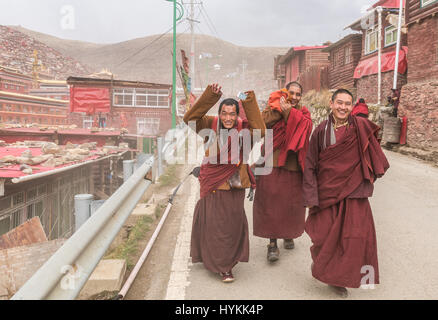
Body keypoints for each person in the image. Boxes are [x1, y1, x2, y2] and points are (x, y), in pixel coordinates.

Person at [302, 88, 390, 298]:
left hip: (354, 192)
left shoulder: (361, 127)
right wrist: (310, 196)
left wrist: (363, 176)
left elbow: (375, 157)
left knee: (355, 239)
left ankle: (342, 279)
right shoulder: (321, 131)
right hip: (327, 194)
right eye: (339, 102)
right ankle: (328, 271)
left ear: (352, 106)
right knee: (324, 237)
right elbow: (310, 164)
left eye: (347, 103)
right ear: (331, 104)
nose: (343, 107)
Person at [183, 83, 265, 283]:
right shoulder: (209, 124)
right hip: (212, 183)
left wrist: (248, 100)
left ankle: (226, 260)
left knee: (231, 225)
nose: (228, 118)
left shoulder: (244, 129)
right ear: (219, 113)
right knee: (213, 224)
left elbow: (261, 130)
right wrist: (211, 96)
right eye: (224, 113)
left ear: (237, 114)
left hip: (235, 184)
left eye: (232, 113)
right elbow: (190, 118)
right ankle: (223, 267)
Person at [253, 81, 313, 262]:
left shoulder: (303, 114)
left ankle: (288, 234)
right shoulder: (272, 109)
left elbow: (305, 128)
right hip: (271, 162)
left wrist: (289, 113)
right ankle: (272, 244)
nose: (294, 97)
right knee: (270, 203)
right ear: (284, 94)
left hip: (293, 165)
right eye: (291, 93)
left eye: (298, 94)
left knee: (291, 204)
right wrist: (279, 110)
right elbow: (261, 125)